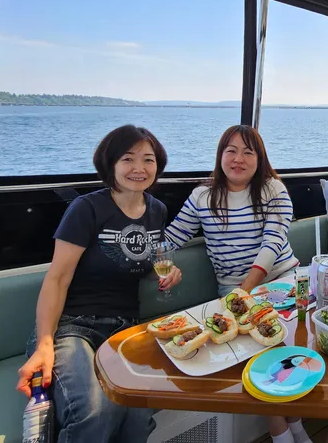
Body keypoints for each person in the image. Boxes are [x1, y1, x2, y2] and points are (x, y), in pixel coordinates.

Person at [16, 125, 182, 443]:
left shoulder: (157, 211)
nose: (139, 168)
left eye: (148, 160)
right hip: (72, 326)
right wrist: (45, 344)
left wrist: (168, 273)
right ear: (110, 165)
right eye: (128, 159)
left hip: (123, 329)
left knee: (138, 412)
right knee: (95, 411)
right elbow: (57, 279)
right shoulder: (87, 209)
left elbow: (141, 263)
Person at [164, 124, 307, 443]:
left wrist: (245, 292)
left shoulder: (274, 189)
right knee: (259, 353)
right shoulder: (202, 196)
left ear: (260, 158)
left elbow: (273, 242)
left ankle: (292, 427)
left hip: (282, 281)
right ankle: (285, 431)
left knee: (279, 344)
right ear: (220, 156)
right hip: (233, 292)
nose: (238, 158)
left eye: (248, 151)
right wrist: (165, 266)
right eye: (231, 150)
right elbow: (171, 238)